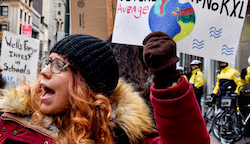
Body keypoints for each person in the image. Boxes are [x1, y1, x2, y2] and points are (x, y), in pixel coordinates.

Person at [0, 33, 210, 144]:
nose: (44, 71)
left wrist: (167, 80)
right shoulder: (10, 123)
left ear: (86, 85)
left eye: (58, 65)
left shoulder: (124, 138)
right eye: (48, 62)